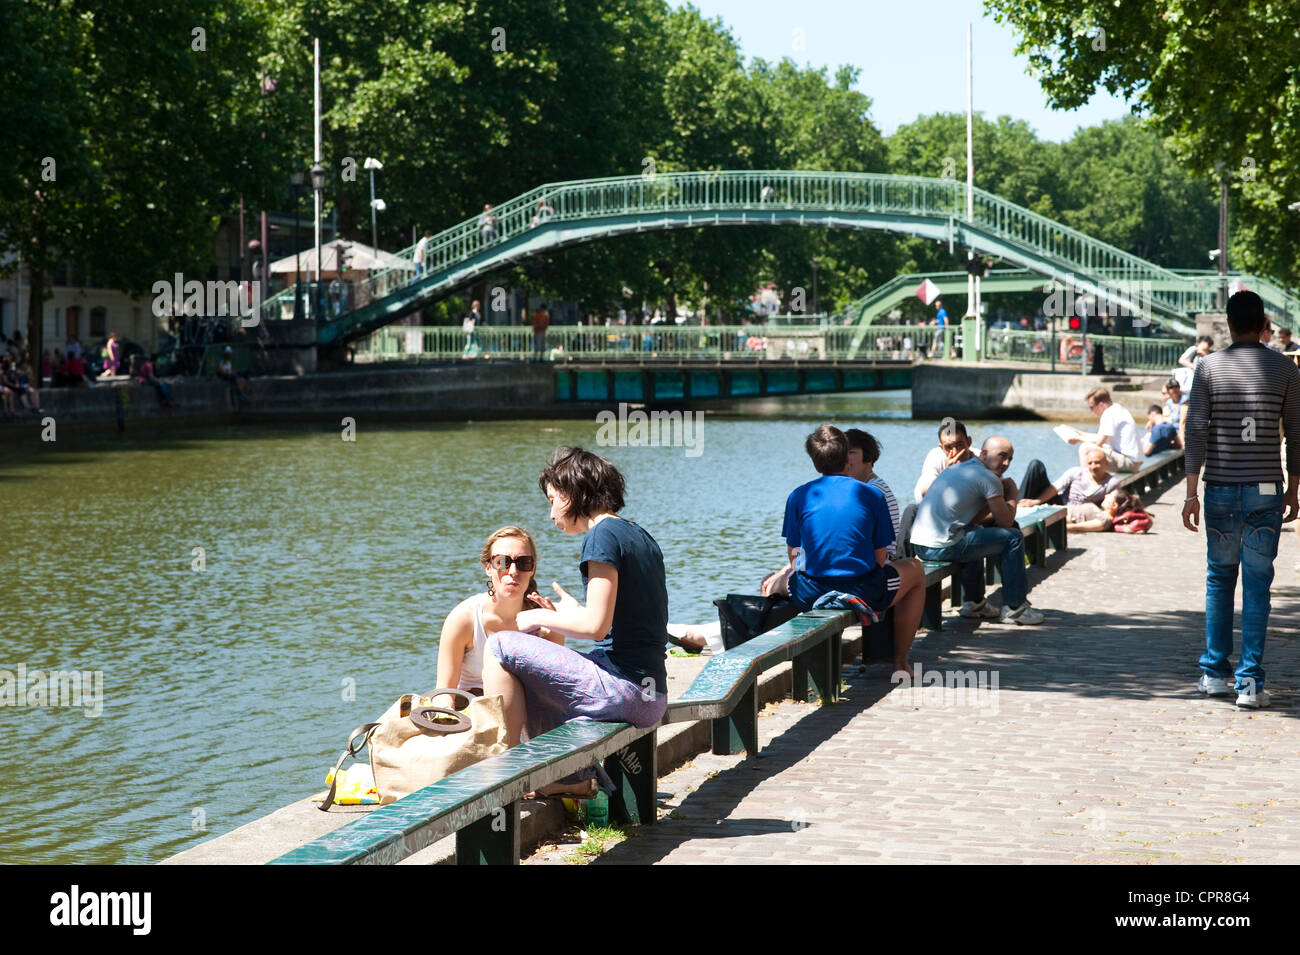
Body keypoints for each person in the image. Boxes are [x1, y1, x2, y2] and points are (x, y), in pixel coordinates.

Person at [484, 447, 668, 797]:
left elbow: (596, 627)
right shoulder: (639, 535)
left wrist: (534, 616)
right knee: (533, 671)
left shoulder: (600, 536)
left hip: (625, 690)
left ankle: (505, 774)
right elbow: (620, 621)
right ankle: (561, 779)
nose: (551, 512)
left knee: (500, 646)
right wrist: (568, 615)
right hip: (650, 691)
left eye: (553, 499)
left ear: (573, 493)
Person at [1183, 290, 1300, 709]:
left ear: (1229, 325)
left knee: (1219, 579)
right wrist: (1295, 487)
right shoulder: (1286, 369)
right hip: (1265, 489)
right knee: (1257, 585)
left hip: (1219, 489)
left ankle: (1214, 673)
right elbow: (1297, 434)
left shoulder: (1209, 367)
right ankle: (1249, 683)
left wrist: (1190, 492)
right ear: (1262, 323)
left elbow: (1195, 430)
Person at [777, 425, 926, 676]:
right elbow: (881, 557)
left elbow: (795, 556)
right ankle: (900, 662)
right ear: (847, 457)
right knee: (917, 571)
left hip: (810, 592)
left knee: (776, 582)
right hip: (863, 591)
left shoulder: (799, 495)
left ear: (815, 462)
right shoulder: (871, 494)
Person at [910, 436, 1045, 625]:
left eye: (1010, 459)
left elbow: (971, 519)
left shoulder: (958, 468)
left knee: (973, 531)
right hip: (941, 546)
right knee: (1012, 537)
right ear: (984, 453)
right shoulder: (988, 478)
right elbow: (1006, 522)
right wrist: (1013, 492)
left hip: (920, 544)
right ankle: (1015, 608)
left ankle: (975, 604)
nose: (1006, 463)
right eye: (1002, 456)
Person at [436, 526, 563, 700]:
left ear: (532, 569)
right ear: (488, 567)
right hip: (475, 714)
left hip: (530, 716)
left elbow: (553, 688)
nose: (513, 572)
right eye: (502, 562)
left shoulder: (546, 621)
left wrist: (557, 628)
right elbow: (443, 693)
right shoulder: (464, 619)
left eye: (523, 563)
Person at [844, 428, 900, 559]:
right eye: (843, 453)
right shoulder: (866, 486)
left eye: (852, 452)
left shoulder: (873, 490)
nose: (846, 459)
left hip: (881, 563)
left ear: (868, 457)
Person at [1060, 387, 1144, 472]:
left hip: (1129, 463)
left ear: (1100, 405)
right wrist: (1078, 433)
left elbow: (1099, 442)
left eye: (1091, 407)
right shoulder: (1116, 409)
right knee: (1093, 448)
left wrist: (1078, 439)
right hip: (1133, 461)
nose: (1092, 411)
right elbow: (1100, 437)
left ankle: (1085, 481)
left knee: (1085, 448)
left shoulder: (1109, 414)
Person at [1018, 445, 1120, 509]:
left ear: (1106, 463)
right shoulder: (1076, 472)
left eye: (1097, 463)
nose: (1093, 467)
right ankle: (1017, 507)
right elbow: (1056, 487)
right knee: (1036, 465)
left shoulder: (1112, 483)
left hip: (1075, 512)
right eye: (1090, 463)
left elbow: (1111, 501)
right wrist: (1037, 501)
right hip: (1059, 502)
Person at [914, 418, 974, 500]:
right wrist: (948, 473)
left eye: (959, 445)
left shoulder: (980, 459)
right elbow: (926, 493)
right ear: (941, 448)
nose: (955, 452)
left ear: (968, 442)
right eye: (948, 447)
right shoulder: (936, 456)